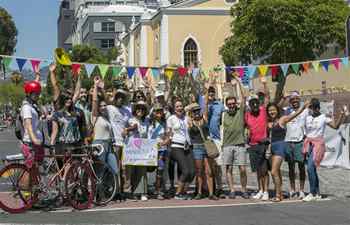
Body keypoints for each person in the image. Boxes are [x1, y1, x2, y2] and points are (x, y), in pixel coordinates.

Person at [302, 98, 347, 202]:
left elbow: (335, 126)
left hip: (318, 145)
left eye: (314, 107)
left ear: (318, 108)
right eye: (311, 108)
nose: (312, 110)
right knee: (312, 169)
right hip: (308, 144)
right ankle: (317, 193)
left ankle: (312, 193)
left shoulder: (323, 117)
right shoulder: (307, 117)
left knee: (309, 168)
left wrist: (341, 115)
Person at [266, 101, 309, 202]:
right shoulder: (269, 123)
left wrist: (302, 108)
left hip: (281, 146)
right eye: (269, 110)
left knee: (273, 171)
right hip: (272, 147)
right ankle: (280, 193)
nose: (271, 112)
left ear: (277, 110)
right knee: (277, 172)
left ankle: (277, 195)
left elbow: (294, 115)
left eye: (273, 110)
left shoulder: (282, 119)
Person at [221, 76, 249, 199]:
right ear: (227, 105)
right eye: (229, 104)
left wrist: (238, 82)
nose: (232, 105)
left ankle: (244, 190)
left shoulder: (240, 111)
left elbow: (244, 97)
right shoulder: (224, 114)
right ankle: (232, 189)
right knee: (228, 169)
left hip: (240, 144)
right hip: (227, 145)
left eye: (233, 103)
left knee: (242, 169)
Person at [245, 78, 270, 201]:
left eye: (256, 104)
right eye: (252, 104)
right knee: (257, 170)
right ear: (249, 106)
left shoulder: (263, 111)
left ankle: (266, 191)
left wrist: (264, 84)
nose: (255, 106)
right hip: (252, 145)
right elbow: (243, 100)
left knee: (264, 169)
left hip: (263, 144)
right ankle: (260, 190)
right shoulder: (247, 114)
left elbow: (267, 98)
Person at [188, 104, 218, 200]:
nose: (197, 112)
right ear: (191, 113)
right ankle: (199, 192)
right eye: (194, 111)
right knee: (199, 171)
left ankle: (211, 193)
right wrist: (189, 109)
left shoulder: (204, 118)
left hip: (207, 147)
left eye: (198, 110)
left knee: (209, 171)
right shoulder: (190, 122)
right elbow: (186, 110)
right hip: (197, 148)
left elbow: (205, 105)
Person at [167, 99, 195, 200]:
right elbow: (169, 133)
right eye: (177, 106)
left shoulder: (186, 118)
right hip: (176, 146)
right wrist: (166, 142)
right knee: (185, 170)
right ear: (174, 109)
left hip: (187, 146)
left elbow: (191, 130)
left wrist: (191, 123)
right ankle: (178, 193)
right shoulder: (171, 118)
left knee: (192, 171)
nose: (180, 108)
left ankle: (184, 191)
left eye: (181, 106)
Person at [91, 76, 118, 177]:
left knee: (114, 169)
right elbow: (94, 101)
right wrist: (95, 85)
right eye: (100, 106)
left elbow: (108, 100)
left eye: (104, 105)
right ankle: (97, 192)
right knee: (99, 171)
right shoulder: (95, 116)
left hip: (109, 145)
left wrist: (102, 89)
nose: (102, 107)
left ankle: (110, 191)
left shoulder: (107, 117)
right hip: (98, 145)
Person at [124, 101, 150, 201]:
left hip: (143, 149)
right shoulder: (130, 119)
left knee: (142, 171)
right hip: (131, 148)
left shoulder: (146, 121)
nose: (140, 110)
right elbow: (128, 129)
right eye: (138, 108)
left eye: (143, 109)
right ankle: (129, 192)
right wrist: (130, 129)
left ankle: (142, 192)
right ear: (135, 110)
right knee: (130, 171)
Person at [284, 91, 308, 199]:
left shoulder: (305, 111)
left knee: (301, 167)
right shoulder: (286, 111)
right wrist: (284, 98)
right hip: (289, 142)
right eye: (292, 99)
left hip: (300, 142)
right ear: (290, 101)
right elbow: (277, 107)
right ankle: (292, 189)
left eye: (296, 99)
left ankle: (302, 190)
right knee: (291, 167)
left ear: (299, 99)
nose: (294, 101)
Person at [20, 81, 44, 181]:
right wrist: (34, 139)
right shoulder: (26, 108)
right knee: (29, 170)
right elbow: (28, 124)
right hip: (30, 143)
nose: (38, 95)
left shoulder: (31, 106)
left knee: (35, 170)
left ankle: (34, 193)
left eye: (38, 93)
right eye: (36, 94)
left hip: (37, 143)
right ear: (29, 94)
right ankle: (27, 194)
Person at [205, 86, 225, 198]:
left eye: (213, 92)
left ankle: (220, 188)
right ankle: (207, 188)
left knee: (218, 165)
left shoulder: (220, 105)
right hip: (206, 139)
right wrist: (207, 102)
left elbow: (223, 121)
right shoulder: (204, 103)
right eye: (209, 92)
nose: (211, 94)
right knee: (207, 166)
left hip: (216, 138)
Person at [148, 103, 170, 200]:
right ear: (154, 113)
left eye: (160, 111)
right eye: (157, 111)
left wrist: (165, 141)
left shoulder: (165, 124)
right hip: (151, 150)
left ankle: (159, 190)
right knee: (149, 170)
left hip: (162, 150)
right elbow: (148, 137)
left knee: (160, 170)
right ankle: (147, 189)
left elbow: (168, 136)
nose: (159, 113)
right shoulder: (150, 123)